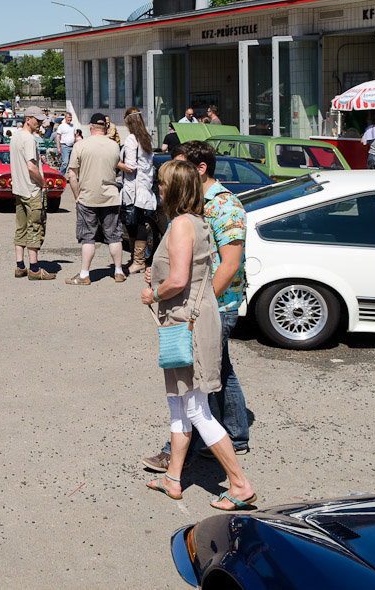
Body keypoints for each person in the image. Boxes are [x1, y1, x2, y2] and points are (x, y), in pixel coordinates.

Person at [141, 159, 256, 511]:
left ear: (173, 189)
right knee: (178, 401)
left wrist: (153, 293)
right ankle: (174, 478)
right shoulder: (198, 221)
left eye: (161, 184)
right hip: (190, 319)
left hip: (185, 321)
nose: (158, 189)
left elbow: (177, 280)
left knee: (195, 406)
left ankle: (239, 485)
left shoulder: (180, 225)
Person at [64, 113, 124, 285]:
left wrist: (76, 195)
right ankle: (118, 271)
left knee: (88, 236)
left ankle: (84, 274)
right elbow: (115, 168)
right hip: (110, 196)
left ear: (90, 127)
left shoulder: (80, 145)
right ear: (105, 127)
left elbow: (72, 174)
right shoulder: (114, 146)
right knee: (114, 235)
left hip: (87, 196)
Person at [10, 106, 56, 281]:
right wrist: (43, 184)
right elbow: (31, 167)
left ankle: (20, 265)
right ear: (28, 119)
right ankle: (34, 268)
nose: (40, 123)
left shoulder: (15, 137)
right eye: (37, 120)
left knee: (20, 227)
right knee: (35, 226)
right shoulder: (29, 139)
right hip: (31, 190)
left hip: (20, 190)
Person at [118, 108, 157, 275]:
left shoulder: (131, 140)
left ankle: (138, 261)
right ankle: (136, 259)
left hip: (133, 187)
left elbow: (130, 167)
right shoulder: (146, 138)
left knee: (135, 223)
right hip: (143, 186)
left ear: (128, 121)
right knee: (138, 221)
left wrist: (115, 161)